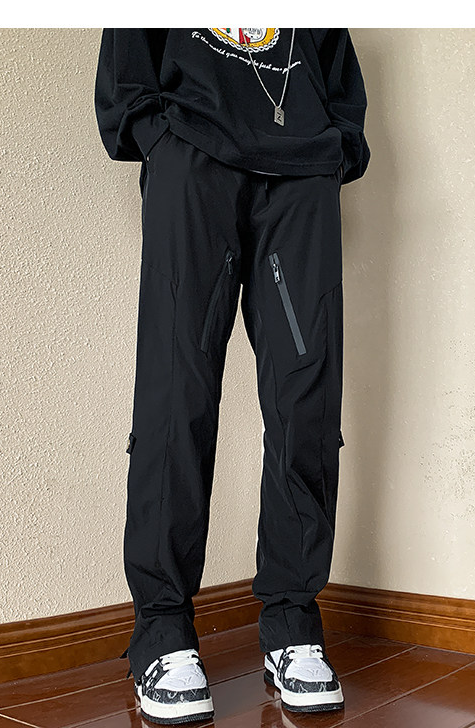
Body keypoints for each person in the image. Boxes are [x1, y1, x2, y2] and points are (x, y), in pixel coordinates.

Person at [95, 27, 370, 725]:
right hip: (194, 161)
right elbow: (125, 74)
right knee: (176, 394)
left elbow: (337, 69)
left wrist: (336, 147)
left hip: (301, 177)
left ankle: (293, 623)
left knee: (306, 399)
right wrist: (162, 138)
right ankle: (162, 631)